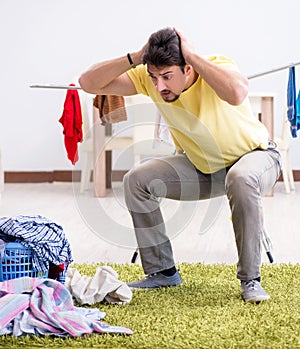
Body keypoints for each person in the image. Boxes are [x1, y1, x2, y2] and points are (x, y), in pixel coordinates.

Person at [79, 27, 281, 303]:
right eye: (154, 77)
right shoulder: (149, 78)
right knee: (137, 180)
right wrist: (136, 57)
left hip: (256, 157)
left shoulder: (215, 66)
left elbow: (236, 93)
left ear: (187, 68)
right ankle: (162, 272)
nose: (159, 86)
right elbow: (88, 82)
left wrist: (194, 56)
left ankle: (250, 280)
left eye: (167, 76)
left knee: (241, 178)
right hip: (204, 168)